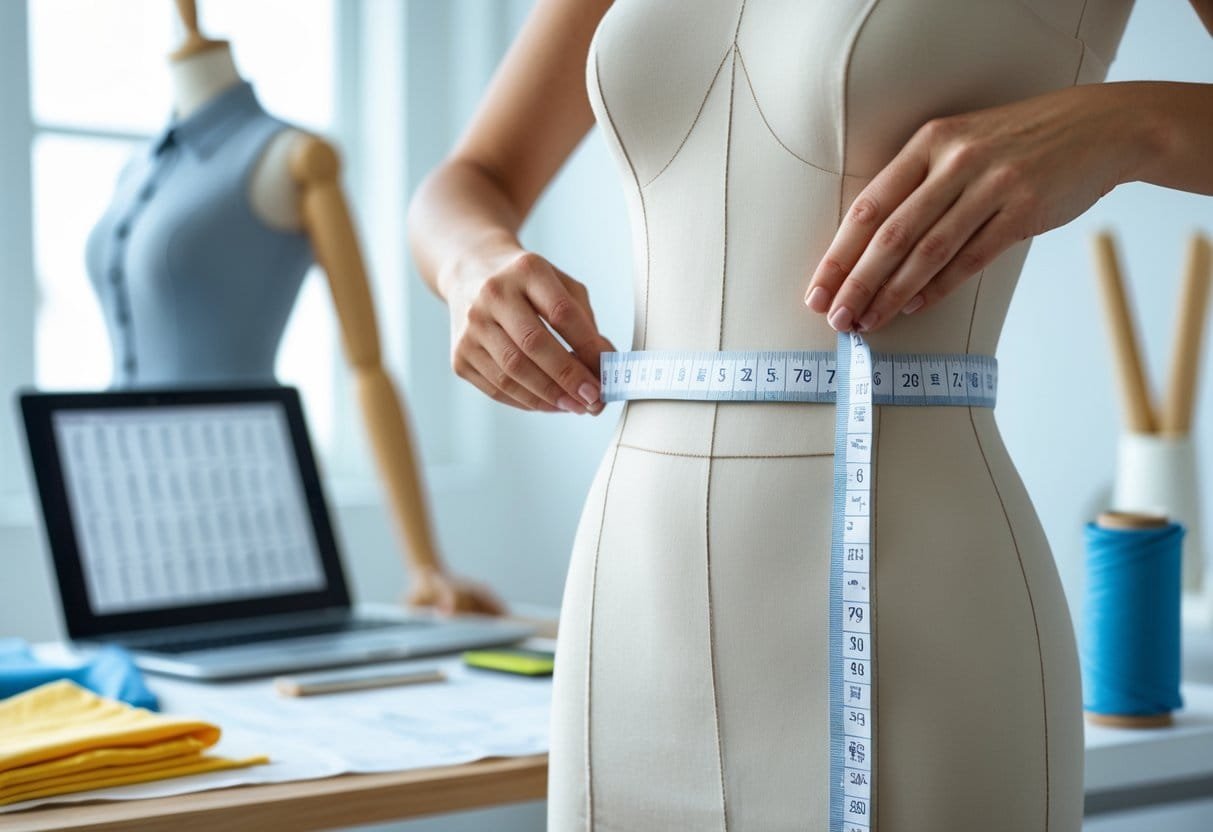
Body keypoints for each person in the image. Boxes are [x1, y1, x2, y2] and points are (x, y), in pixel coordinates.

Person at [407, 1, 1213, 828]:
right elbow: (471, 178)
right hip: (627, 599)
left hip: (913, 589)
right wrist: (472, 265)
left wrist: (1128, 126)